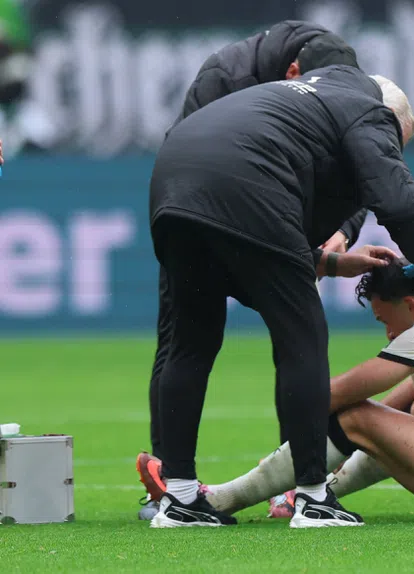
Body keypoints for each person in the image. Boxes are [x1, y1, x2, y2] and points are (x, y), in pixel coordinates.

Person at [147, 66, 414, 528]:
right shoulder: (369, 107)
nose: (392, 150)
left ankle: (180, 498)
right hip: (243, 184)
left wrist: (327, 263)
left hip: (172, 181)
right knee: (302, 334)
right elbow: (396, 196)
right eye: (397, 142)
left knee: (192, 340)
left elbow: (256, 242)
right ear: (392, 119)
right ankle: (312, 496)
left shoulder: (307, 99)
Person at [137, 262, 414, 526]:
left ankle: (216, 500)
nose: (388, 334)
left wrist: (294, 455)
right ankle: (301, 494)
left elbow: (333, 401)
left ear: (410, 307)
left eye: (387, 321)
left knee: (355, 418)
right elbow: (397, 414)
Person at [139, 21, 369, 521]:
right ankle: (177, 480)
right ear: (292, 71)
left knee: (214, 339)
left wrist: (341, 232)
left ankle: (251, 488)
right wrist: (312, 255)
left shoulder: (332, 73)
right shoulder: (224, 77)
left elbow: (357, 164)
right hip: (208, 209)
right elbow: (197, 165)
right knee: (201, 331)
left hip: (232, 209)